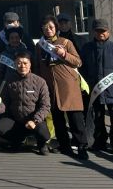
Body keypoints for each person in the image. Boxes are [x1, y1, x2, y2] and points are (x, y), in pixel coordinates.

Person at [33, 15, 87, 160]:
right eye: (45, 28)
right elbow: (37, 66)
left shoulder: (66, 42)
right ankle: (65, 146)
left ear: (56, 28)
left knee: (75, 119)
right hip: (50, 86)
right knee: (57, 119)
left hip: (68, 86)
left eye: (51, 27)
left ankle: (82, 147)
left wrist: (64, 54)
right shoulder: (40, 46)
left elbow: (78, 62)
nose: (48, 30)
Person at [80, 18, 113, 155]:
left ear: (108, 31)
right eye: (98, 31)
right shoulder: (86, 49)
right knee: (97, 119)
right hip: (95, 90)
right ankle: (100, 142)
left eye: (103, 31)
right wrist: (84, 85)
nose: (101, 33)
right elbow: (82, 69)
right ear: (93, 32)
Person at [0, 52, 51, 155]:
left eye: (25, 63)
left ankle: (41, 143)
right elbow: (4, 102)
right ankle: (18, 140)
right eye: (19, 63)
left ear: (30, 64)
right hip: (16, 119)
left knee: (44, 134)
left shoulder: (40, 82)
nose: (22, 66)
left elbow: (45, 106)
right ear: (15, 65)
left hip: (34, 120)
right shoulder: (9, 81)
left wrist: (35, 120)